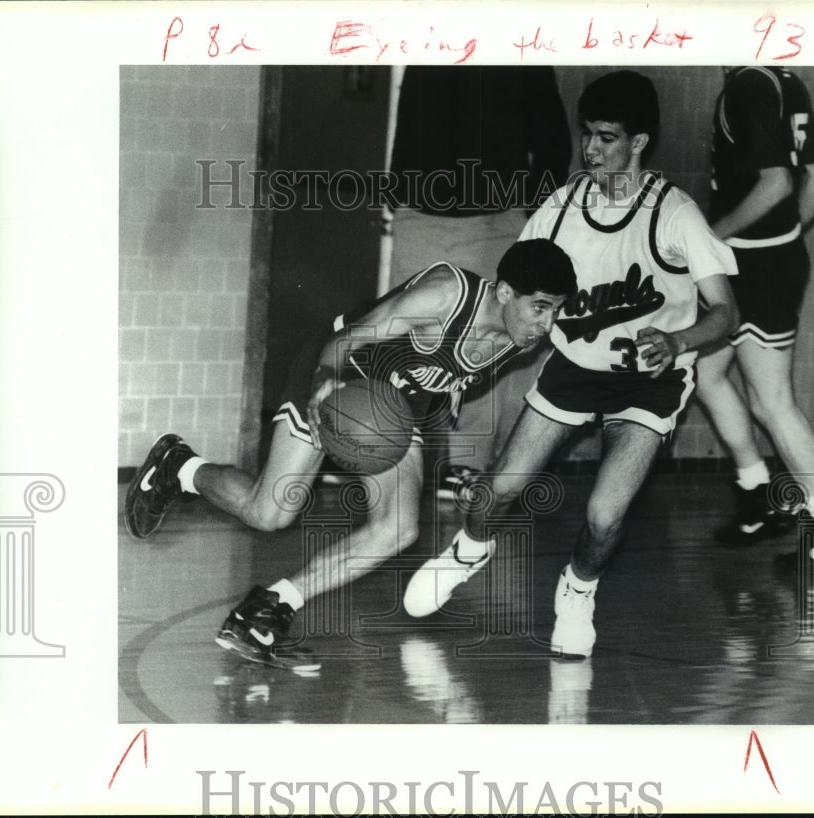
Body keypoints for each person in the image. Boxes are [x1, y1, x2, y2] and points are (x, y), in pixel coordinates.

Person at [403, 70, 740, 659]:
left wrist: (680, 342)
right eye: (586, 134)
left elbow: (726, 314)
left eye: (607, 137)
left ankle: (578, 591)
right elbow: (514, 303)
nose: (590, 149)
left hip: (649, 380)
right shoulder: (559, 210)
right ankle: (468, 550)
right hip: (575, 367)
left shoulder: (675, 214)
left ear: (639, 143)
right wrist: (464, 363)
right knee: (496, 493)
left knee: (605, 515)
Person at [124, 239, 576, 662]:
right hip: (342, 372)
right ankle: (179, 466)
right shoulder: (445, 297)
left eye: (555, 310)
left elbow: (443, 385)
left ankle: (268, 609)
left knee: (397, 528)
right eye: (539, 307)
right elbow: (346, 341)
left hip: (395, 407)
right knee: (270, 513)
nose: (546, 323)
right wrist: (324, 388)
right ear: (503, 292)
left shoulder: (518, 339)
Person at [388, 66, 572, 498]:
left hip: (495, 217)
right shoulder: (429, 41)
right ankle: (394, 461)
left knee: (488, 345)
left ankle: (467, 465)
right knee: (402, 343)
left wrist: (531, 213)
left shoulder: (521, 49)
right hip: (419, 214)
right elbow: (408, 124)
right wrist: (400, 195)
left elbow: (552, 140)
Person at [695, 66, 814, 569]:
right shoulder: (784, 78)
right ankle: (757, 493)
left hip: (755, 266)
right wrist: (789, 233)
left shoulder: (747, 86)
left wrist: (710, 238)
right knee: (706, 373)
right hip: (756, 261)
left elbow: (778, 182)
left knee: (771, 400)